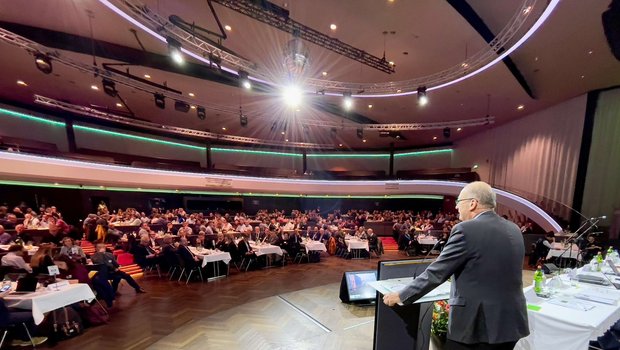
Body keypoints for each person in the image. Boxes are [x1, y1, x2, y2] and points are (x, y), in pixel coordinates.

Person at [383, 181, 529, 349]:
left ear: (473, 203)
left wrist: (402, 295)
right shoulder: (514, 229)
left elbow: (436, 273)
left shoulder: (466, 229)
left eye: (459, 202)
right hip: (511, 322)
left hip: (477, 325)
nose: (457, 207)